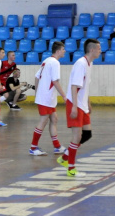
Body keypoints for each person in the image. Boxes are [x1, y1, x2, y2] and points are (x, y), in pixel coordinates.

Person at [57, 39, 101, 177]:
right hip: (75, 104)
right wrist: (74, 107)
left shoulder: (90, 63)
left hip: (82, 104)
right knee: (77, 136)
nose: (100, 51)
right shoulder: (81, 64)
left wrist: (88, 102)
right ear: (92, 50)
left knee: (87, 134)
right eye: (99, 49)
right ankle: (71, 168)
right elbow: (74, 86)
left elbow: (85, 85)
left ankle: (64, 158)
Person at [30, 41, 67, 156]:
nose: (64, 51)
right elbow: (55, 81)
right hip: (46, 97)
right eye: (63, 49)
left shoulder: (46, 61)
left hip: (47, 97)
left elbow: (36, 77)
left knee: (54, 118)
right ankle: (33, 147)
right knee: (43, 120)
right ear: (58, 51)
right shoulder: (55, 63)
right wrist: (64, 95)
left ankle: (57, 146)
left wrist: (37, 93)